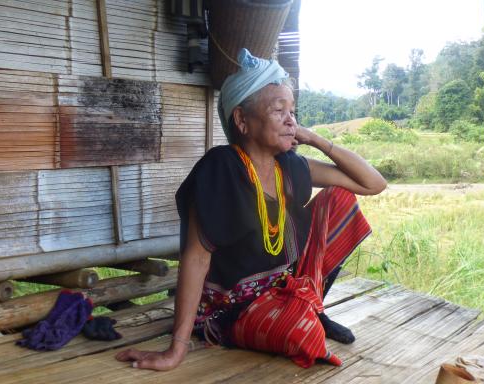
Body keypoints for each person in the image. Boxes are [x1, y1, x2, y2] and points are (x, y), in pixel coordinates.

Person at [115, 48, 387, 370]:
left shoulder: (290, 165)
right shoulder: (221, 169)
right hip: (232, 306)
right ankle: (302, 313)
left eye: (293, 111)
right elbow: (197, 257)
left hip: (281, 286)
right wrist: (177, 348)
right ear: (242, 120)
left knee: (337, 199)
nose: (291, 121)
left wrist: (314, 138)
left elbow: (373, 184)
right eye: (278, 110)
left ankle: (310, 309)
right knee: (304, 338)